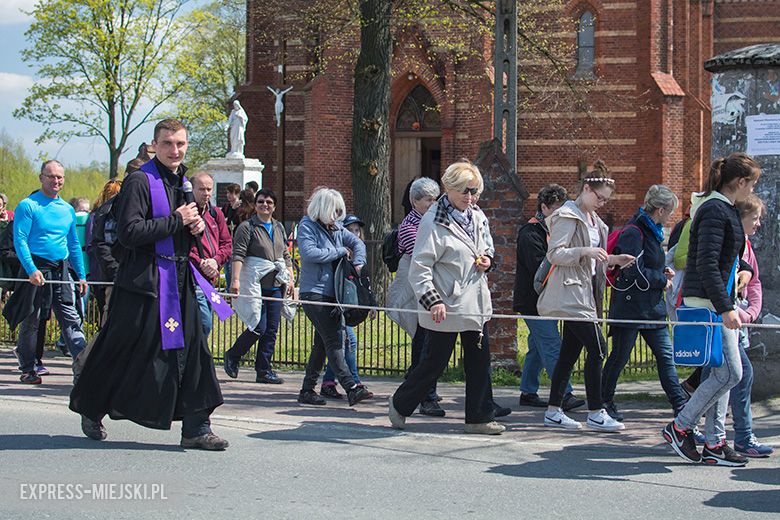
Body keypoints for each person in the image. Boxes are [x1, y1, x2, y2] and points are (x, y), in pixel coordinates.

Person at [70, 119, 228, 451]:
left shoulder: (185, 183)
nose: (175, 150)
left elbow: (181, 232)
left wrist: (195, 229)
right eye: (168, 143)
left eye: (181, 144)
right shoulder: (140, 181)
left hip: (180, 279)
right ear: (154, 145)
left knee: (195, 350)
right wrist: (177, 220)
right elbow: (129, 233)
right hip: (143, 283)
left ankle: (197, 426)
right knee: (122, 348)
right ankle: (91, 406)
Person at [389, 160, 503, 435]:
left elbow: (488, 244)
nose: (470, 196)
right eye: (464, 190)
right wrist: (433, 300)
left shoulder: (478, 216)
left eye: (474, 191)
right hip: (446, 304)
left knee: (479, 362)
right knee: (433, 362)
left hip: (475, 303)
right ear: (449, 188)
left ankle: (479, 418)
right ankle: (400, 404)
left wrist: (488, 258)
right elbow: (419, 266)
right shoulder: (433, 220)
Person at [662, 152, 760, 467]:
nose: (752, 191)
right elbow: (704, 262)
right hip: (708, 305)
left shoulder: (723, 209)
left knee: (722, 374)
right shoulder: (716, 210)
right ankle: (680, 427)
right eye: (752, 184)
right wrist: (725, 307)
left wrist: (743, 268)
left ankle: (715, 443)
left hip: (714, 303)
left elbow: (723, 256)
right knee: (731, 372)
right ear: (741, 182)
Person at [536, 161, 634, 432]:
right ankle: (596, 410)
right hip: (572, 293)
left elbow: (593, 259)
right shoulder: (568, 215)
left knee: (569, 354)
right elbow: (555, 254)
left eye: (605, 199)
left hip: (586, 291)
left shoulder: (595, 222)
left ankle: (554, 410)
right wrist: (585, 251)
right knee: (599, 348)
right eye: (599, 197)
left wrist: (613, 259)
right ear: (586, 188)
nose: (602, 203)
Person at [600, 185, 688, 421]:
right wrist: (661, 280)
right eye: (670, 212)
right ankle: (603, 401)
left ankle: (680, 405)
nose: (670, 217)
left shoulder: (653, 231)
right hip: (631, 307)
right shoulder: (634, 231)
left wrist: (663, 271)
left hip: (652, 308)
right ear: (660, 210)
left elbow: (648, 264)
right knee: (619, 357)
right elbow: (631, 269)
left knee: (665, 357)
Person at [2, 160, 87, 384]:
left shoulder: (67, 210)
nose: (56, 180)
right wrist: (31, 269)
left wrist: (81, 275)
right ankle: (28, 367)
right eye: (51, 176)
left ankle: (84, 365)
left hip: (60, 269)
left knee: (70, 317)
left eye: (60, 177)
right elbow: (20, 241)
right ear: (41, 178)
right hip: (35, 268)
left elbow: (73, 244)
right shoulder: (28, 205)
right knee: (32, 319)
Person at [295, 187, 372, 406]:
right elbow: (310, 253)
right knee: (334, 339)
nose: (339, 215)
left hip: (334, 293)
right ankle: (351, 386)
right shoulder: (306, 226)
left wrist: (358, 262)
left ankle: (307, 390)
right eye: (335, 210)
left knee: (321, 343)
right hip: (314, 293)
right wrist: (339, 252)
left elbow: (357, 243)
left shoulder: (337, 228)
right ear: (324, 208)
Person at [513, 184, 585, 411]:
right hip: (533, 302)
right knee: (552, 344)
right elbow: (540, 268)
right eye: (556, 210)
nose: (562, 215)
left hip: (548, 299)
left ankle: (528, 391)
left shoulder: (556, 231)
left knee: (537, 346)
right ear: (543, 208)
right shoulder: (530, 233)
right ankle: (565, 393)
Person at [387, 177, 444, 416]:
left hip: (433, 292)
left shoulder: (433, 222)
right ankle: (425, 396)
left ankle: (416, 387)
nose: (433, 204)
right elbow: (429, 257)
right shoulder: (411, 228)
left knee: (426, 344)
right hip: (421, 296)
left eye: (435, 199)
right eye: (427, 200)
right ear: (414, 202)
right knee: (425, 344)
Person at [224, 188, 293, 384]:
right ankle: (233, 355)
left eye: (269, 202)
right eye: (261, 201)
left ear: (274, 206)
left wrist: (291, 280)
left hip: (275, 286)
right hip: (255, 285)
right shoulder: (247, 227)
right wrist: (235, 281)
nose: (265, 205)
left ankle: (264, 369)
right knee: (258, 327)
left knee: (271, 329)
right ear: (255, 205)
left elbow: (285, 256)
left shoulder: (279, 227)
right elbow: (238, 254)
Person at [319, 214, 373, 399]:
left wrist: (371, 305)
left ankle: (327, 382)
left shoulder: (359, 259)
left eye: (357, 230)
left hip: (351, 309)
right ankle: (354, 382)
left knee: (334, 346)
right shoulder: (339, 256)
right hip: (337, 307)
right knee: (348, 342)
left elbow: (365, 286)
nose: (355, 234)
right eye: (350, 230)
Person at [188, 172, 232, 337]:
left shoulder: (216, 214)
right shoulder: (186, 214)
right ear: (191, 190)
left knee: (205, 324)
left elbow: (227, 244)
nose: (206, 193)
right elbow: (183, 247)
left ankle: (196, 358)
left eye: (209, 189)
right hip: (192, 277)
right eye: (201, 189)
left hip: (210, 277)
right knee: (204, 323)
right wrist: (201, 263)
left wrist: (215, 262)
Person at [86, 179, 123, 325]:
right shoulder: (98, 216)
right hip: (102, 273)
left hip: (113, 271)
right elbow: (93, 245)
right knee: (106, 315)